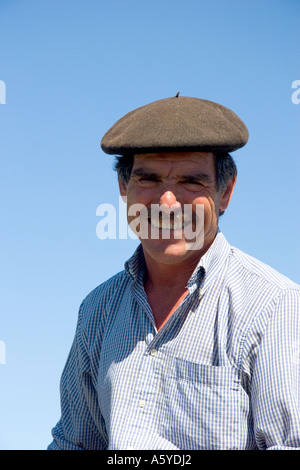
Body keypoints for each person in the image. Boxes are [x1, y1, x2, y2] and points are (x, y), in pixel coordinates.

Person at [48, 95, 300, 450]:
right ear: (124, 188)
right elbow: (75, 444)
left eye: (191, 182)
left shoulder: (274, 307)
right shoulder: (98, 310)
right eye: (148, 178)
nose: (167, 202)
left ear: (225, 192)